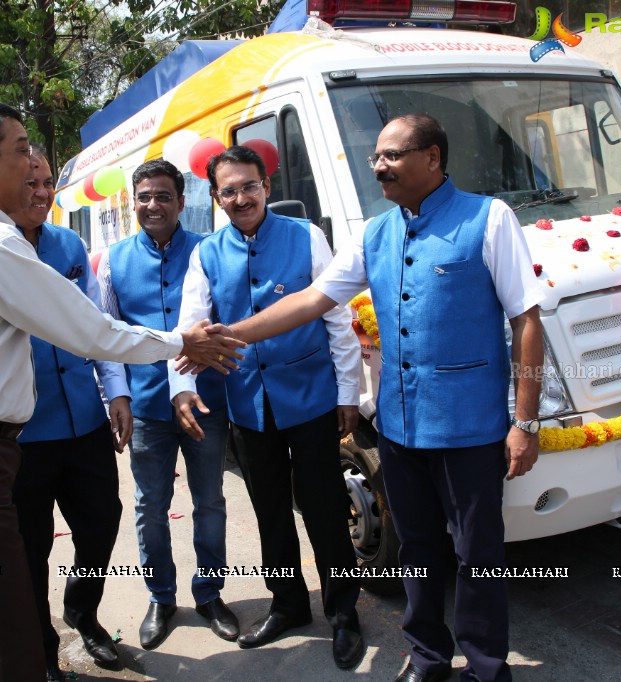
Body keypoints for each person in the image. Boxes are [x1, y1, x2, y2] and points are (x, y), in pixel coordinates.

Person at [0, 98, 244, 682]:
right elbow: (91, 330)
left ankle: (80, 618)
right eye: (22, 151)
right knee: (6, 645)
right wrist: (181, 343)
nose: (37, 172)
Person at [207, 115, 545, 682]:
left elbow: (528, 321)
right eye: (376, 157)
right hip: (399, 427)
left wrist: (526, 422)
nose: (379, 165)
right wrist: (231, 334)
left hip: (472, 427)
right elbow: (314, 300)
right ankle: (429, 656)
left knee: (478, 556)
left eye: (392, 155)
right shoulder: (375, 233)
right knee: (416, 548)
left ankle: (487, 667)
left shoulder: (488, 218)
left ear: (433, 158)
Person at [167, 145, 366, 670]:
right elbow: (190, 328)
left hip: (312, 399)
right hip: (249, 406)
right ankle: (289, 606)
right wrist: (179, 386)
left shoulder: (306, 237)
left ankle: (344, 610)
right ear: (215, 198)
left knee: (324, 506)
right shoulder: (206, 253)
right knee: (270, 510)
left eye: (248, 186)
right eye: (228, 190)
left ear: (267, 188)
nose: (240, 197)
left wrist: (348, 392)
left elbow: (337, 320)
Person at [97, 159, 236, 651]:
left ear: (181, 202)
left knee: (210, 503)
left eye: (163, 196)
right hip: (149, 409)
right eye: (144, 197)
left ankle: (210, 593)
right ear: (133, 202)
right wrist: (117, 395)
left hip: (205, 405)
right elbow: (107, 337)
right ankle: (161, 597)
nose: (152, 205)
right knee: (149, 506)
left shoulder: (210, 251)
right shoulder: (113, 261)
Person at [9, 150, 129, 681]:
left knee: (102, 524)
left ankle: (83, 613)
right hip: (21, 433)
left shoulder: (69, 244)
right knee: (28, 546)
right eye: (28, 182)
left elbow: (94, 323)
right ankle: (39, 643)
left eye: (46, 184)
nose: (39, 193)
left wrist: (116, 394)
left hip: (84, 421)